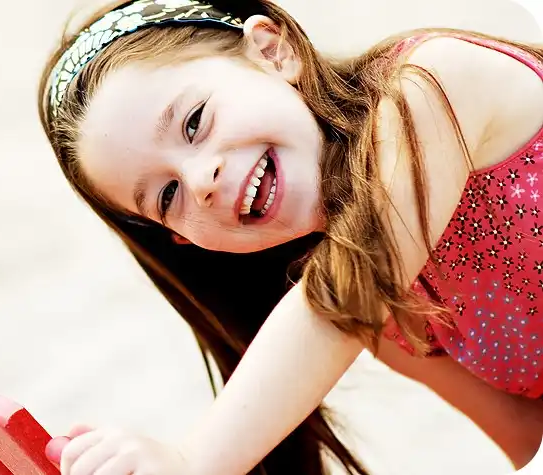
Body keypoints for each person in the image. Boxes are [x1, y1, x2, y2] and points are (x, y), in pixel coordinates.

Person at [37, 0, 543, 473]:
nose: (200, 180)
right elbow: (525, 433)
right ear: (182, 240)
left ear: (273, 51)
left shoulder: (435, 83)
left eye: (194, 122)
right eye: (168, 196)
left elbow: (347, 290)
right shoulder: (372, 308)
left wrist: (194, 461)